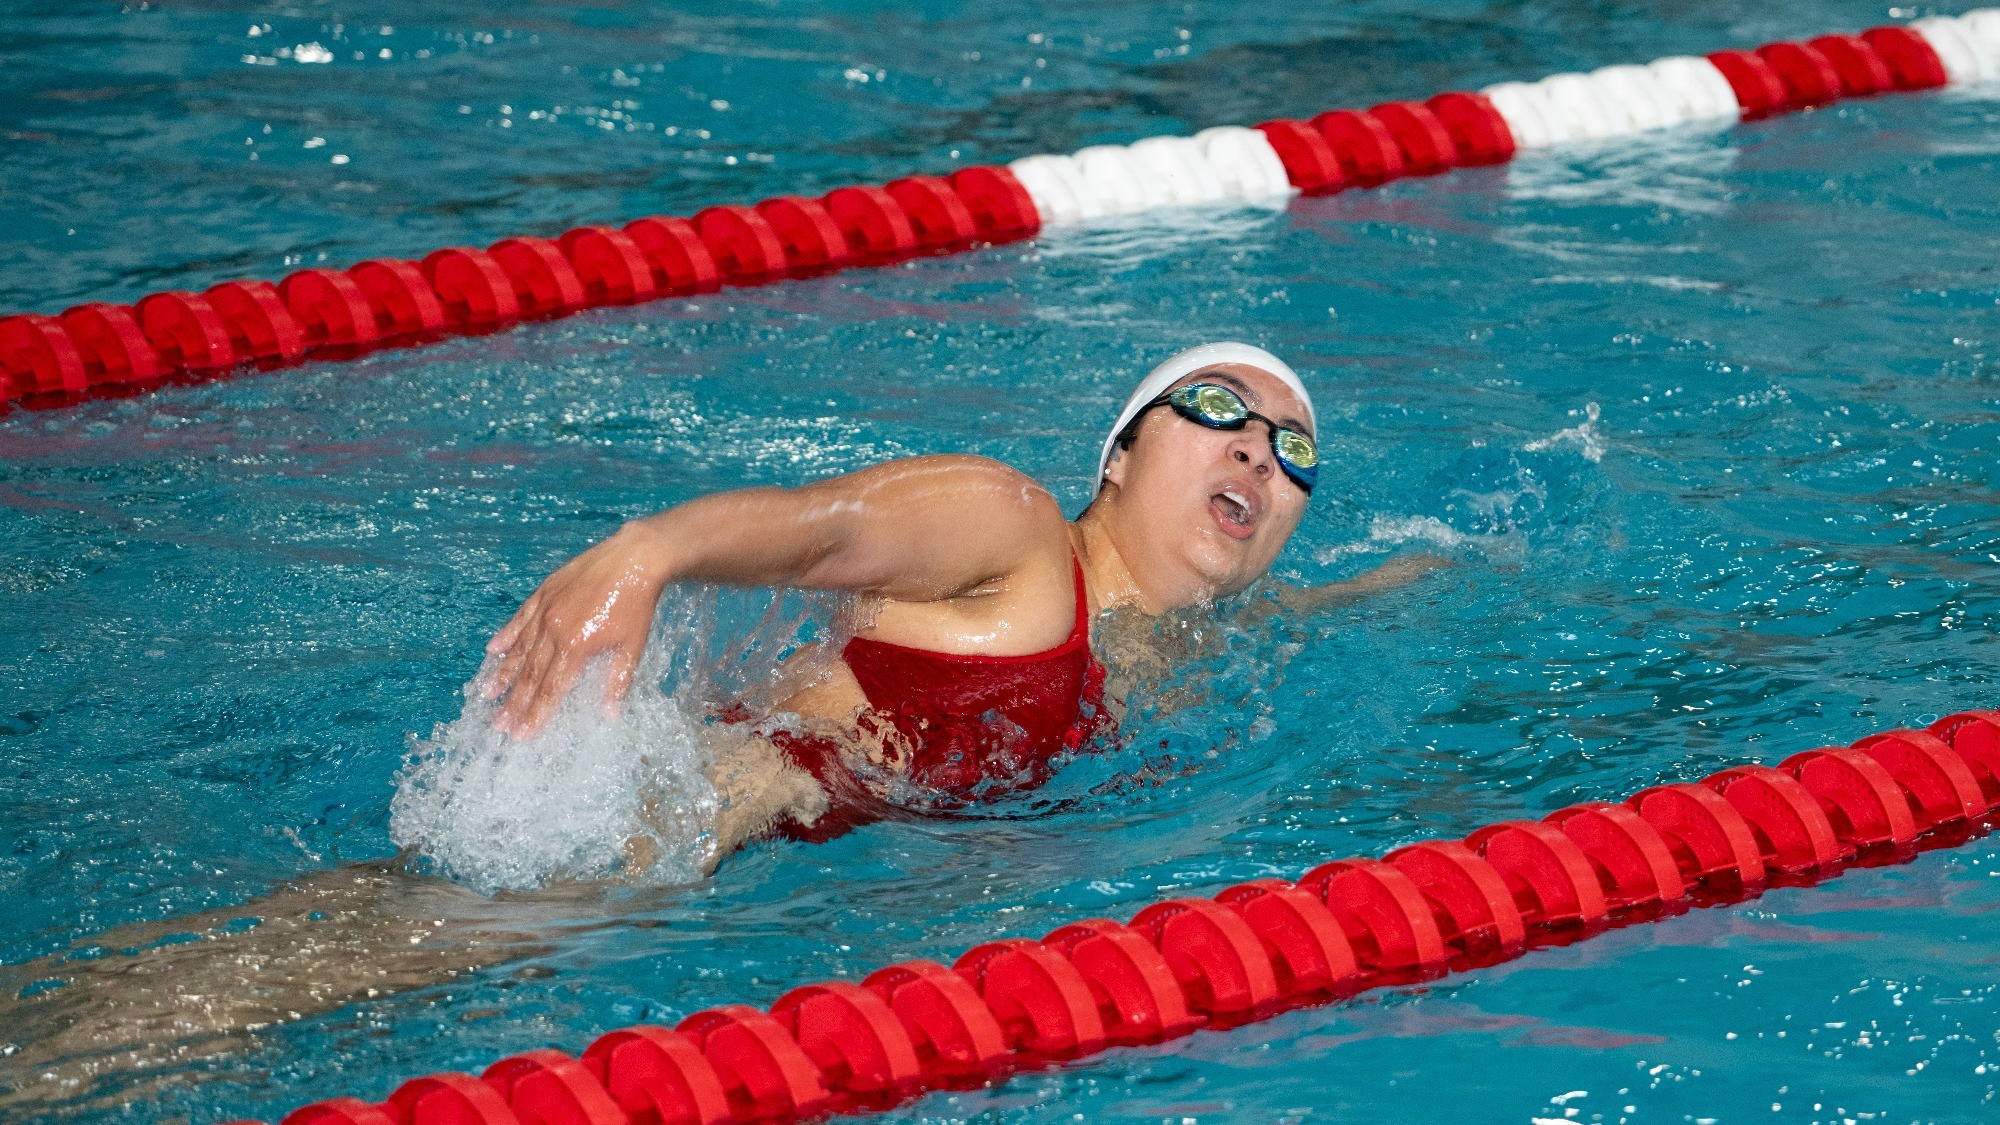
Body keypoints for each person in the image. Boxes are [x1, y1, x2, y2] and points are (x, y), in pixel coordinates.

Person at [486, 342, 1443, 850]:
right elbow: (833, 527)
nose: (1256, 447)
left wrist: (1445, 566)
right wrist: (648, 552)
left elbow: (1320, 609)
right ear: (1118, 456)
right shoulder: (1015, 534)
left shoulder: (1199, 647)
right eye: (1218, 406)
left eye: (1294, 448)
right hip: (700, 813)